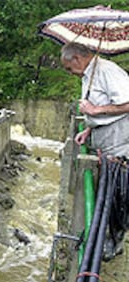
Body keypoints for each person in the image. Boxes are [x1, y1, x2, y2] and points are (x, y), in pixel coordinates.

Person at [61, 42, 129, 261]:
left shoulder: (107, 70)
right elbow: (104, 102)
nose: (69, 73)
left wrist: (95, 110)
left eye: (69, 67)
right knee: (105, 188)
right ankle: (104, 235)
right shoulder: (90, 74)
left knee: (117, 191)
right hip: (103, 137)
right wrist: (89, 128)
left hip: (118, 140)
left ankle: (115, 241)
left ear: (77, 59)